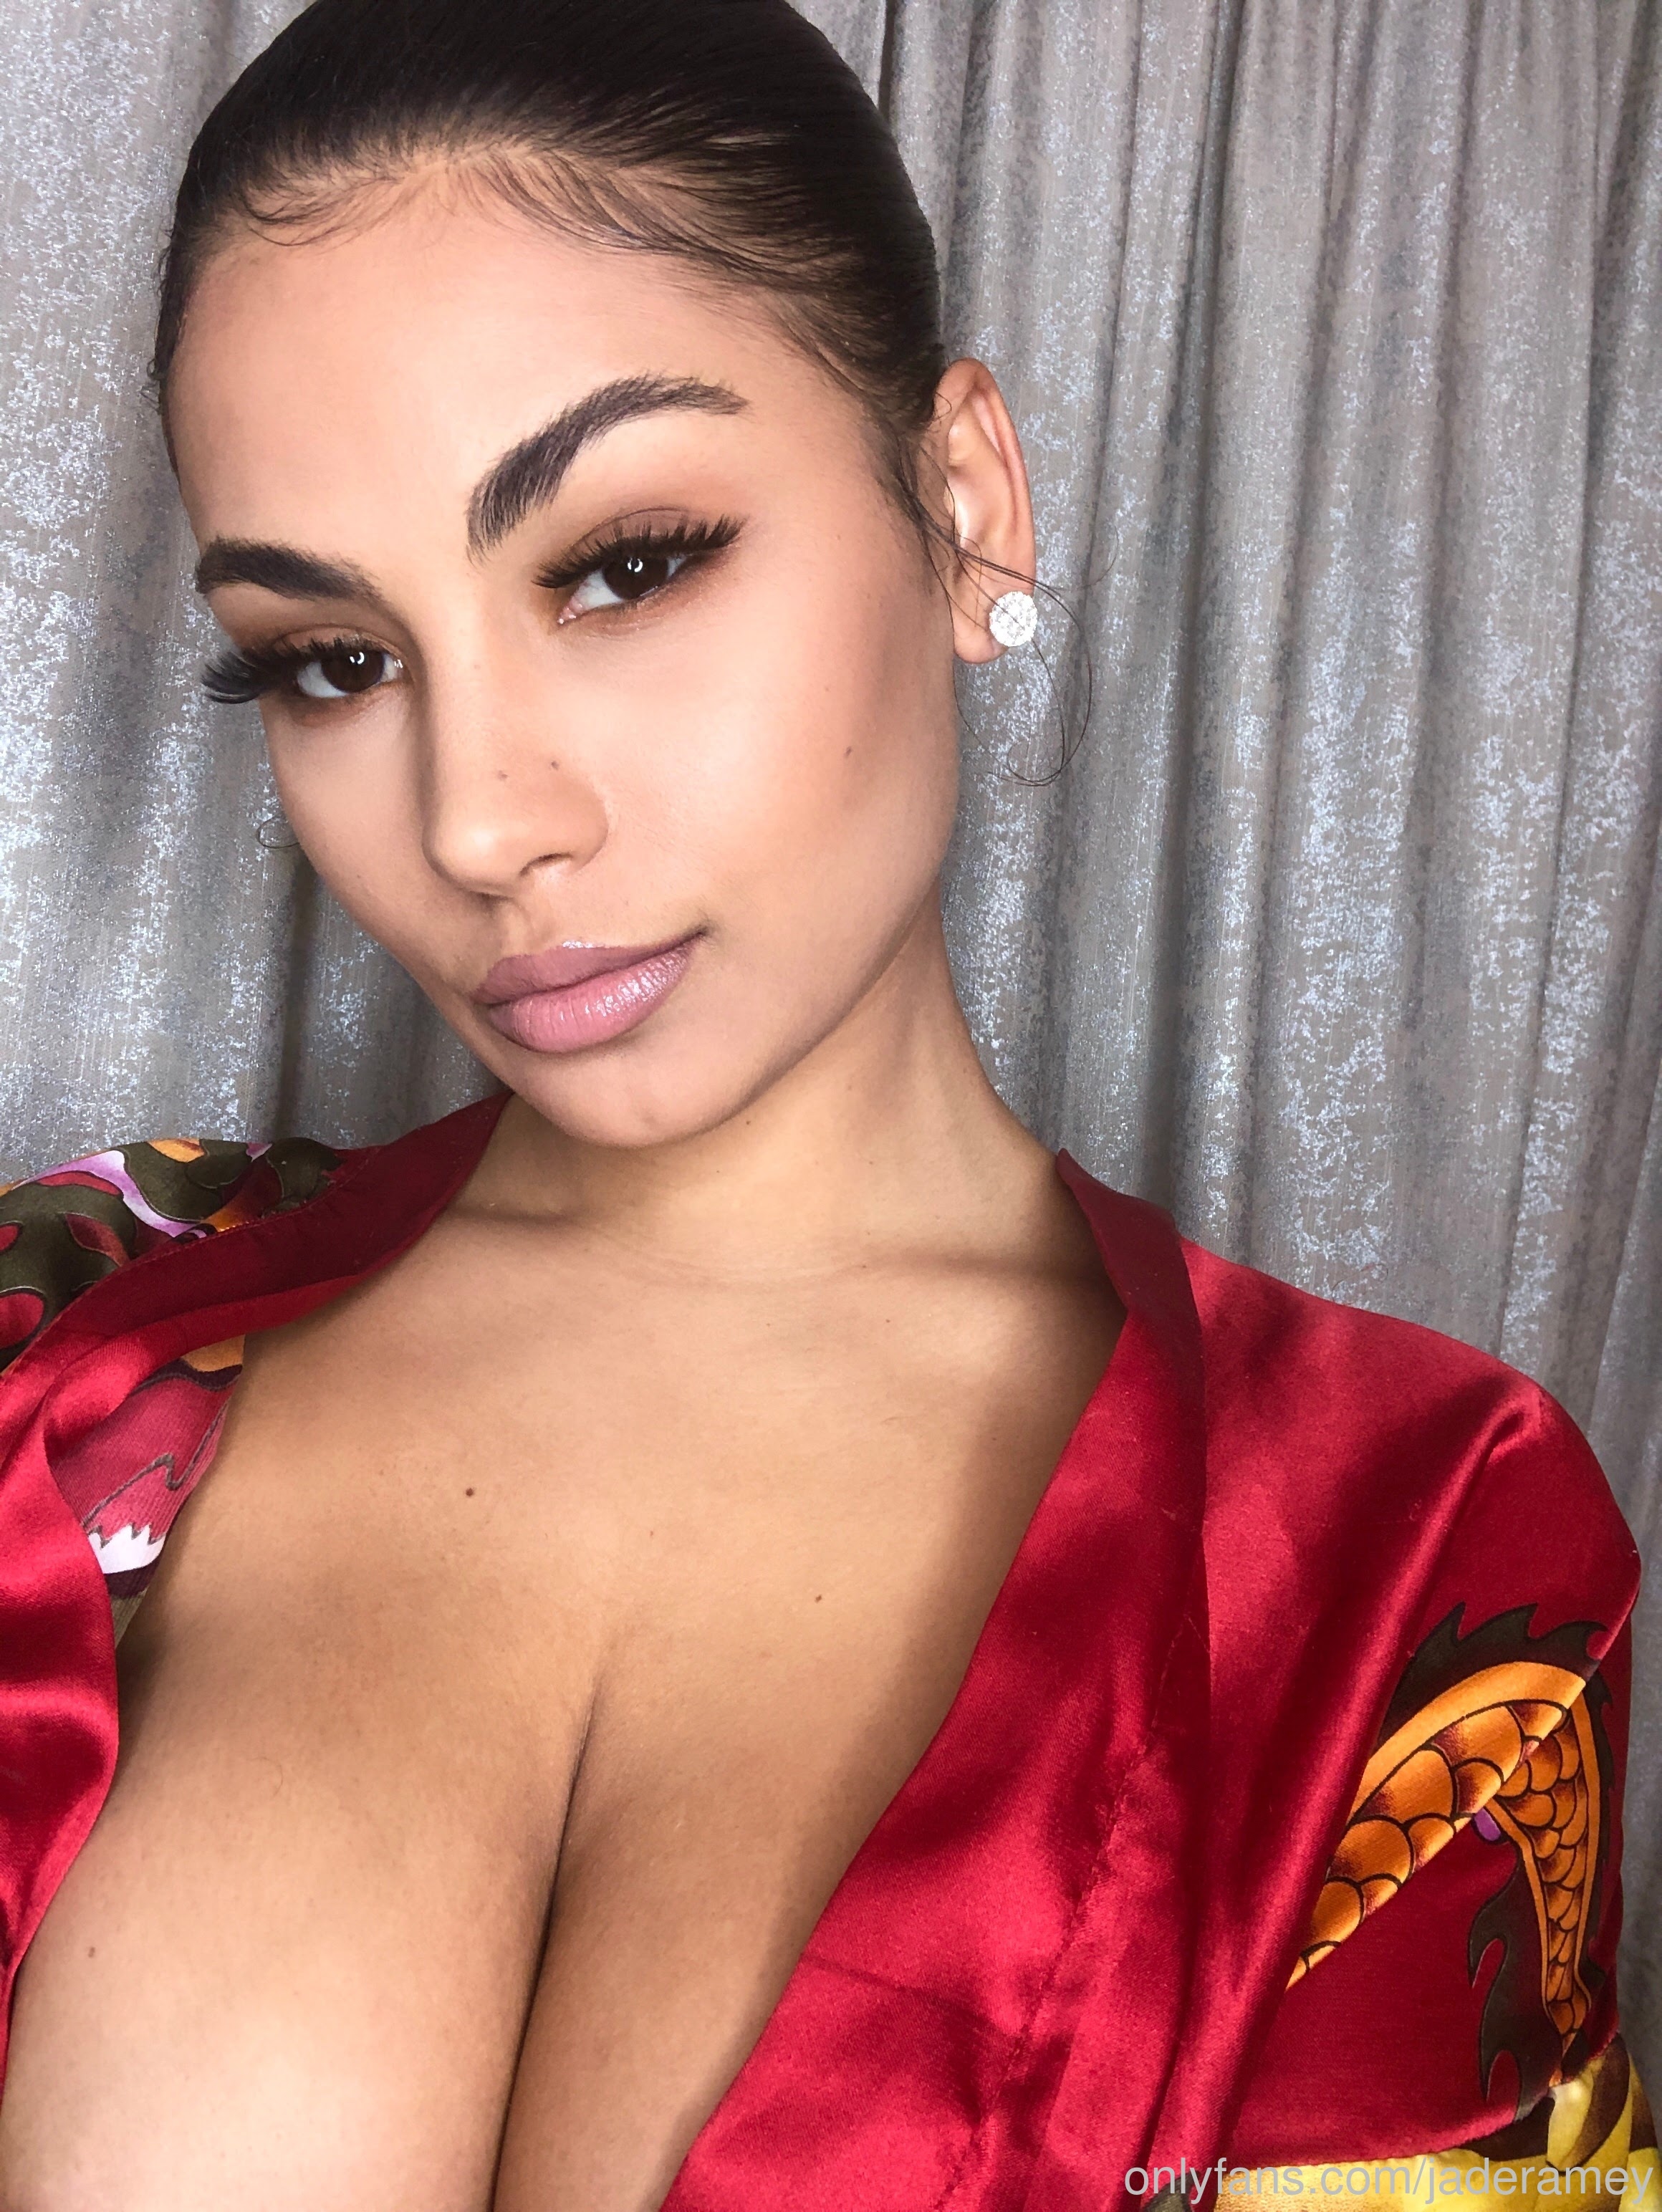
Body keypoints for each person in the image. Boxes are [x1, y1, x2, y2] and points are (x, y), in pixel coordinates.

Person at [0, 2, 1650, 2206]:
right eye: (336, 661)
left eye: (623, 563)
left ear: (965, 502)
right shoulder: (61, 1324)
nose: (480, 821)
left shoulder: (1399, 1556)